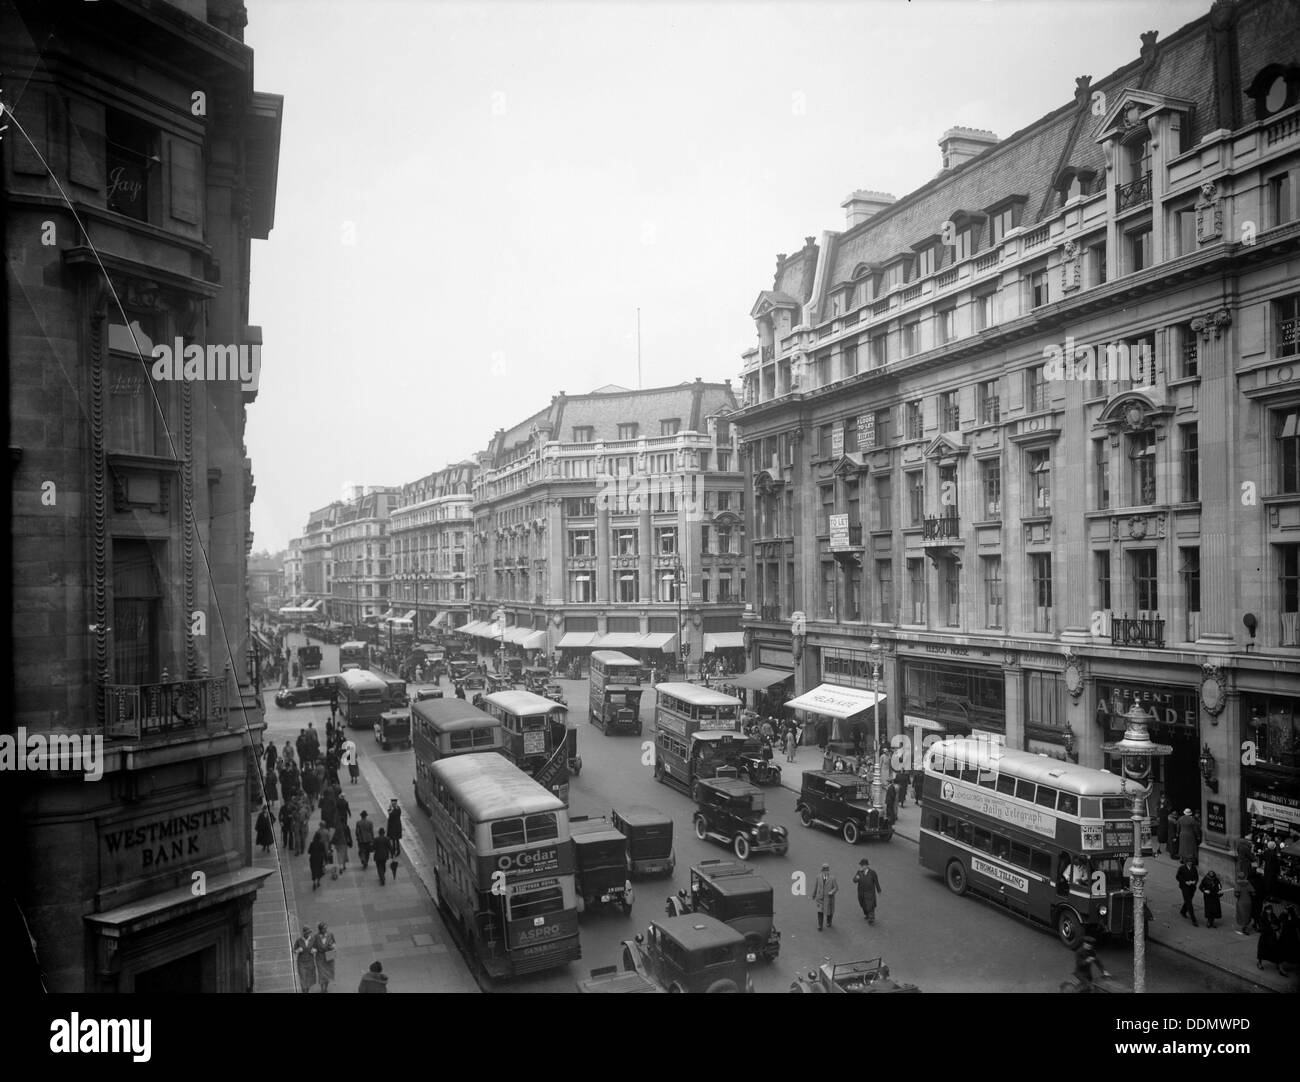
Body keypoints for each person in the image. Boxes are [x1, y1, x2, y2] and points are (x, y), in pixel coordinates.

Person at [852, 857, 882, 924]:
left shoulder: (872, 873)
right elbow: (854, 880)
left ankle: (871, 918)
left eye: (863, 865)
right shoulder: (859, 872)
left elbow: (876, 882)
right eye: (861, 865)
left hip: (870, 892)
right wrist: (857, 878)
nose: (861, 866)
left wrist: (879, 890)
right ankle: (867, 914)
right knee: (863, 904)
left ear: (866, 865)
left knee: (870, 905)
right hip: (861, 892)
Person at [311, 922, 336, 993]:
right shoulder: (316, 937)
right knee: (322, 974)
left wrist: (333, 946)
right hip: (320, 957)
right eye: (324, 929)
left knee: (328, 974)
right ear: (320, 929)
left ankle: (326, 989)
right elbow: (313, 947)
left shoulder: (330, 934)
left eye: (326, 928)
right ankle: (322, 989)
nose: (325, 930)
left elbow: (334, 942)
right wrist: (314, 950)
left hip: (329, 955)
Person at [812, 862, 837, 930]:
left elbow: (836, 888)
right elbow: (816, 886)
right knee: (820, 912)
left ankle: (829, 921)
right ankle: (820, 925)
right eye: (824, 871)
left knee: (829, 912)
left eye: (827, 870)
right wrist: (814, 894)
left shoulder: (832, 878)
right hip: (820, 898)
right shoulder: (818, 877)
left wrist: (832, 892)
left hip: (829, 898)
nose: (826, 872)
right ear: (822, 871)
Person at [1176, 857, 1200, 926]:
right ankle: (1194, 919)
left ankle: (1183, 911)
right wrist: (1185, 882)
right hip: (1185, 887)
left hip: (1192, 887)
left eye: (1191, 862)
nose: (1190, 863)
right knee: (1189, 903)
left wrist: (1194, 882)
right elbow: (1178, 877)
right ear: (1186, 862)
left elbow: (1197, 877)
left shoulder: (1194, 868)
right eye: (1189, 862)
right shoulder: (1182, 868)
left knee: (1188, 900)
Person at [293, 926, 316, 993]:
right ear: (303, 933)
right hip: (301, 963)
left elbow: (317, 947)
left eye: (309, 933)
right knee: (303, 978)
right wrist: (298, 950)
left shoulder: (313, 939)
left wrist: (314, 950)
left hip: (310, 962)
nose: (308, 934)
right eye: (307, 933)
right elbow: (294, 950)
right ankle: (304, 991)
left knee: (308, 978)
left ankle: (307, 991)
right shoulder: (299, 940)